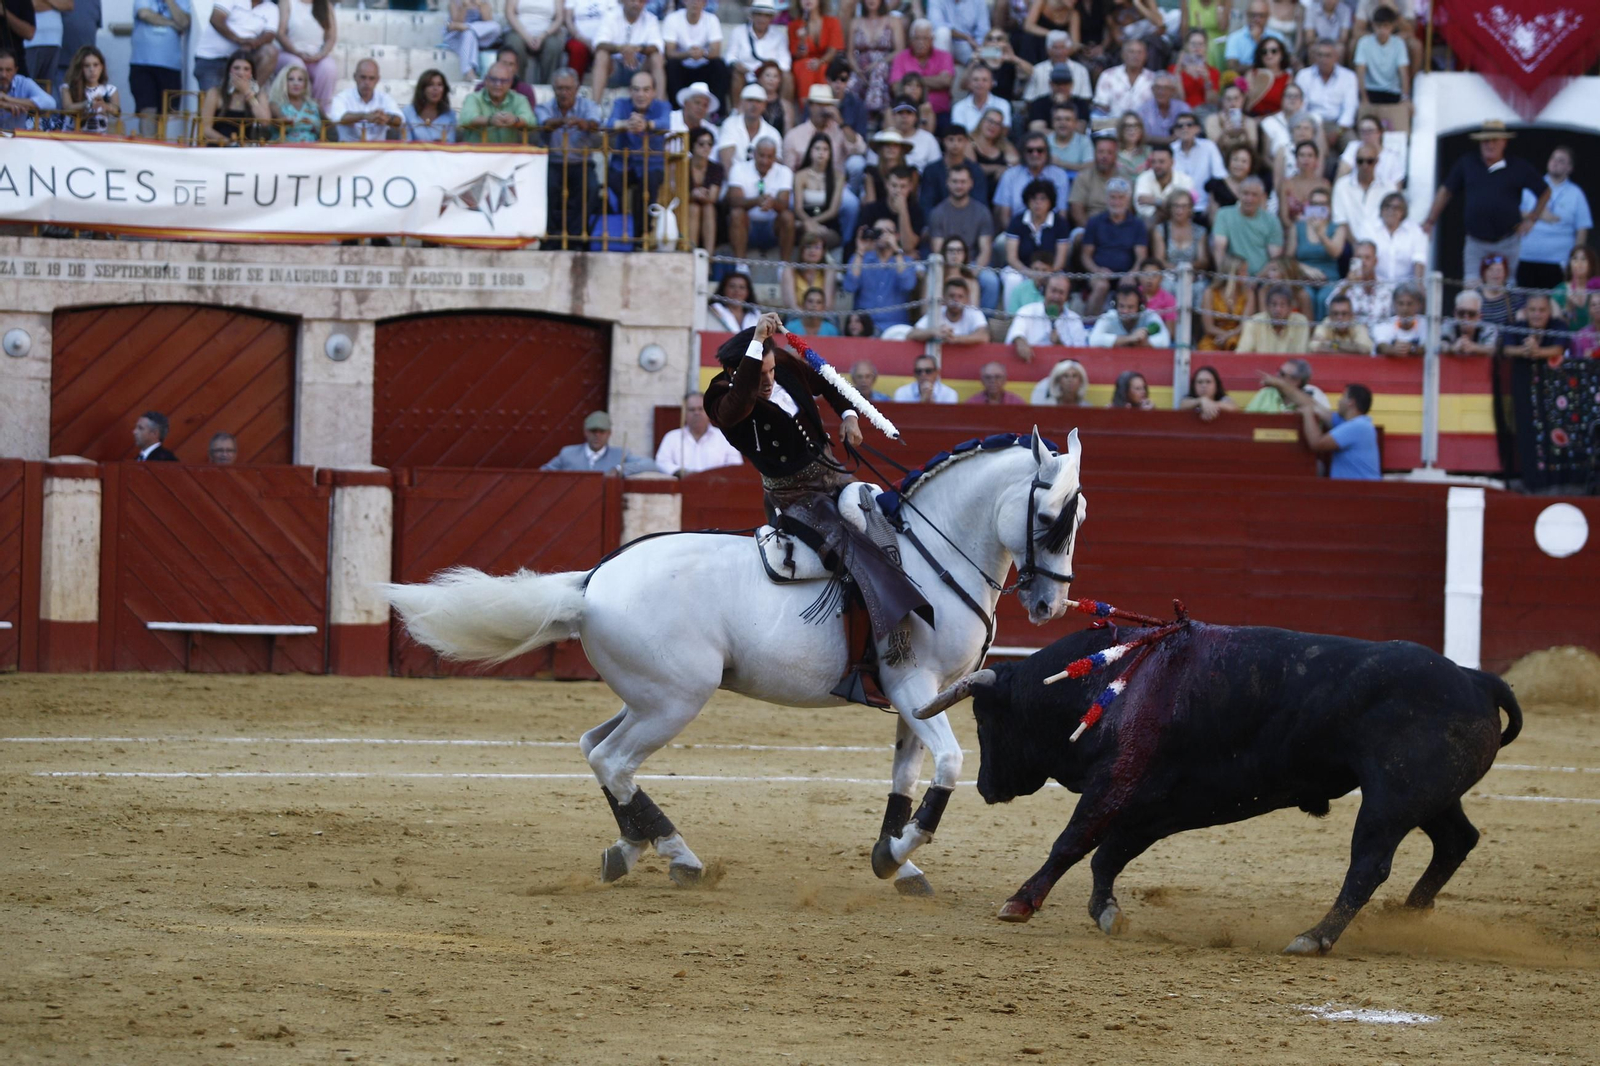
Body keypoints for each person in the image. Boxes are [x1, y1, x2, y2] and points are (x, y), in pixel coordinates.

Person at [707, 314, 932, 703]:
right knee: (851, 554)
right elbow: (738, 406)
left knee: (888, 525)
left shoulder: (780, 364)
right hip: (794, 498)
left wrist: (848, 416)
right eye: (760, 373)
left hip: (834, 475)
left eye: (771, 371)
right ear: (736, 371)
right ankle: (860, 669)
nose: (769, 380)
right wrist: (756, 345)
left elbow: (828, 380)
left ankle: (906, 627)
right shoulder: (721, 397)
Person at [1422, 120, 1551, 286]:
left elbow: (1545, 192)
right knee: (1471, 291)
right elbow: (1446, 191)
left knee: (1507, 290)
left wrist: (1532, 219)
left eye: (1494, 140)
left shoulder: (1518, 166)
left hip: (1508, 241)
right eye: (1485, 140)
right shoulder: (1467, 163)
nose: (1490, 144)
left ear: (1504, 142)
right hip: (1475, 242)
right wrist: (1430, 220)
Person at [537, 66, 602, 245]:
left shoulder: (588, 106)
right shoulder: (545, 106)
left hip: (581, 162)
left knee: (590, 188)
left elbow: (595, 123)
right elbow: (544, 123)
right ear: (553, 89)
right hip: (553, 162)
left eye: (568, 88)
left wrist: (584, 124)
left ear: (577, 88)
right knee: (546, 188)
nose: (564, 93)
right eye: (560, 88)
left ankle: (576, 238)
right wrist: (562, 121)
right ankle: (550, 237)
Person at [605, 69, 670, 238]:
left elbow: (666, 123)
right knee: (612, 182)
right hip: (623, 164)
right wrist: (627, 124)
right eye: (636, 89)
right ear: (630, 91)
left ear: (654, 92)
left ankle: (641, 235)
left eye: (646, 90)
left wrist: (646, 125)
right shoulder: (621, 103)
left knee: (648, 184)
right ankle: (618, 233)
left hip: (652, 165)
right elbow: (609, 124)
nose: (641, 94)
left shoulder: (662, 105)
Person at [1518, 147, 1593, 291]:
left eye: (1561, 160)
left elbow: (1582, 229)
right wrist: (1538, 214)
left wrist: (1575, 262)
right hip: (1527, 257)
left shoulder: (1576, 193)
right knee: (1526, 300)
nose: (1555, 162)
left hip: (1559, 261)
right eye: (1553, 158)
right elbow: (1513, 212)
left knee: (1556, 301)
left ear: (1569, 168)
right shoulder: (1532, 185)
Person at [927, 165, 998, 308]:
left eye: (963, 182)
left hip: (972, 263)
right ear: (947, 183)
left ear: (970, 183)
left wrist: (972, 272)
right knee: (931, 276)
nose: (959, 186)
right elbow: (938, 250)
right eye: (955, 181)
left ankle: (983, 319)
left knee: (991, 281)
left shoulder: (982, 212)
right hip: (947, 263)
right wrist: (953, 272)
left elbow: (985, 250)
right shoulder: (937, 213)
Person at [1082, 178, 1149, 311]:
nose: (1116, 202)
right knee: (1101, 286)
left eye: (1121, 198)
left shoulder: (1138, 225)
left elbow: (1141, 257)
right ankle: (1089, 321)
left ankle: (1126, 321)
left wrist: (1131, 274)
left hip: (1127, 274)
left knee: (1128, 287)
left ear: (1128, 200)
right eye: (1112, 197)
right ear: (1106, 199)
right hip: (1099, 273)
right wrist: (1097, 270)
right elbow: (1085, 256)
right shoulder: (1094, 222)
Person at [1003, 177, 1072, 306]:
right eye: (1033, 199)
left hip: (1051, 270)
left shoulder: (1060, 223)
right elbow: (1011, 258)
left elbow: (1060, 260)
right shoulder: (1017, 221)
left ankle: (1055, 315)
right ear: (1027, 201)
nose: (1037, 203)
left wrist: (1045, 273)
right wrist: (1030, 273)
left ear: (1050, 202)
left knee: (1060, 281)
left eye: (1042, 199)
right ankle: (1011, 315)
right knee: (1012, 278)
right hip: (1022, 269)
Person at [726, 136, 795, 261]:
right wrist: (756, 201)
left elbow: (784, 204)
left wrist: (772, 203)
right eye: (761, 155)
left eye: (769, 157)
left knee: (787, 217)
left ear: (775, 157)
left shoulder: (784, 172)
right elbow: (733, 200)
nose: (765, 161)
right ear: (754, 154)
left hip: (772, 227)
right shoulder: (739, 169)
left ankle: (784, 265)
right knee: (736, 213)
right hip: (747, 227)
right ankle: (741, 264)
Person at [841, 218, 918, 328]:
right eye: (878, 231)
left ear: (896, 236)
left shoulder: (906, 261)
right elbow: (850, 287)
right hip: (865, 327)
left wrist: (896, 250)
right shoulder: (860, 258)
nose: (882, 236)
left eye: (887, 232)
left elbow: (907, 285)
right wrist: (860, 250)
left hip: (895, 326)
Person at [1297, 383, 1381, 479]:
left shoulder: (1357, 426)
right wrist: (1283, 384)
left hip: (1357, 487)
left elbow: (1317, 443)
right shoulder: (1353, 423)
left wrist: (1307, 414)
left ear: (1351, 402)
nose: (1339, 400)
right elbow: (1314, 405)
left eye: (1343, 396)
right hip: (1357, 486)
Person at [129, 0, 192, 128]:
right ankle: (147, 141)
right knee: (147, 110)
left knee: (168, 114)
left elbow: (184, 22)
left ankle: (161, 141)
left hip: (171, 65)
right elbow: (144, 14)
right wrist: (172, 23)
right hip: (143, 63)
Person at [193, 0, 278, 94]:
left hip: (244, 61)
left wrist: (253, 44)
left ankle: (251, 93)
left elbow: (270, 34)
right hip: (212, 59)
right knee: (214, 98)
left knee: (270, 52)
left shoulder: (272, 8)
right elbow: (216, 18)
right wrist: (239, 40)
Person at [996, 130, 1072, 229]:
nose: (1035, 154)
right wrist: (1013, 234)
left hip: (1051, 231)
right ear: (1023, 153)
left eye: (1040, 150)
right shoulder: (1010, 175)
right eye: (1030, 150)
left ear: (1047, 152)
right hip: (1016, 230)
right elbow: (1004, 216)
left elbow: (1062, 212)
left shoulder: (1060, 175)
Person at [543, 411, 659, 475]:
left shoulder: (620, 454)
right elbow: (542, 473)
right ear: (586, 432)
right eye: (593, 431)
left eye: (602, 432)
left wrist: (619, 469)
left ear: (609, 433)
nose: (597, 435)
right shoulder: (569, 453)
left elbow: (650, 464)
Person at [655, 392, 743, 475]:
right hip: (682, 484)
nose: (696, 413)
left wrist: (712, 476)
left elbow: (735, 465)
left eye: (701, 409)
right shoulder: (672, 437)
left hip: (716, 484)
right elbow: (662, 462)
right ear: (684, 413)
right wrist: (682, 473)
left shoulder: (724, 437)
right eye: (692, 409)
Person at [591, 0, 663, 98]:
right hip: (614, 69)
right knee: (601, 55)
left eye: (641, 1)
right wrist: (622, 48)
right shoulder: (610, 16)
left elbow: (657, 46)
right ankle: (595, 104)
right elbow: (599, 44)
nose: (636, 4)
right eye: (633, 0)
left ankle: (660, 103)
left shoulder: (651, 19)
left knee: (657, 57)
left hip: (640, 68)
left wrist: (636, 49)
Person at [1008, 273, 1087, 363]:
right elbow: (1016, 332)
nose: (1056, 297)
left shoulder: (1075, 320)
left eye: (1061, 293)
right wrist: (1020, 341)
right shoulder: (1027, 311)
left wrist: (1060, 345)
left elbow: (1080, 356)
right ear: (1044, 291)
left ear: (1067, 297)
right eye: (1053, 291)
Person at [1212, 176, 1284, 275]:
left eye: (1254, 195)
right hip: (1232, 276)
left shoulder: (1272, 221)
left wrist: (1256, 279)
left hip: (1263, 278)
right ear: (1238, 193)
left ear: (1262, 197)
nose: (1249, 199)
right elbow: (1219, 249)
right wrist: (1223, 276)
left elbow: (1275, 258)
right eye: (1245, 193)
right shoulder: (1223, 215)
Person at [1295, 39, 1357, 152]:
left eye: (1328, 55)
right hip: (1312, 123)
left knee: (1353, 146)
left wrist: (1337, 132)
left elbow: (1350, 109)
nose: (1323, 59)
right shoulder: (1303, 75)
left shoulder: (1349, 76)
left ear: (1336, 57)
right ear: (1314, 57)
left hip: (1339, 126)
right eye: (1320, 55)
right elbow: (1301, 107)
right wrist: (1310, 127)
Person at [1331, 137, 1395, 245]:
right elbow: (1341, 221)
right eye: (1360, 161)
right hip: (1350, 244)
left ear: (1377, 161)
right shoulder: (1342, 186)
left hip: (1382, 245)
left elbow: (1393, 220)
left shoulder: (1389, 187)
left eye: (1370, 161)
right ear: (1355, 162)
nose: (1365, 166)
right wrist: (1356, 246)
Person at [724, 0, 791, 102]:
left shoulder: (779, 36)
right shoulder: (738, 32)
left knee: (788, 77)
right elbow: (730, 56)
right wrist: (736, 64)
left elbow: (785, 60)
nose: (762, 19)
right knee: (737, 74)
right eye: (758, 14)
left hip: (770, 75)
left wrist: (771, 71)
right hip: (746, 74)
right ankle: (737, 109)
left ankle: (784, 107)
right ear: (752, 15)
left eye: (766, 15)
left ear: (771, 18)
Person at [919, 123, 990, 216]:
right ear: (944, 141)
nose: (955, 144)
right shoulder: (931, 170)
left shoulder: (976, 170)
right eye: (951, 139)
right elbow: (927, 204)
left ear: (966, 142)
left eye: (960, 140)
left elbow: (980, 202)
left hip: (969, 220)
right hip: (939, 220)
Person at [854, 161, 922, 258]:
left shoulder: (916, 211)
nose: (898, 191)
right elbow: (863, 244)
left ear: (910, 187)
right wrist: (896, 249)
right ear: (887, 185)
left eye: (903, 186)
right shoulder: (871, 210)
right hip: (875, 259)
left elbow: (908, 246)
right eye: (894, 185)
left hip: (903, 262)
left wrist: (903, 211)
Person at [198, 49, 268, 143]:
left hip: (246, 148)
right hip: (219, 146)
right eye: (236, 68)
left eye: (246, 69)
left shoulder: (259, 94)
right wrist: (228, 143)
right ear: (229, 71)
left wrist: (247, 93)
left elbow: (265, 122)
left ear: (251, 73)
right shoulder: (215, 93)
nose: (241, 73)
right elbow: (205, 128)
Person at [459, 59, 535, 143]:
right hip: (478, 150)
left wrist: (516, 120)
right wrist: (489, 120)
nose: (498, 84)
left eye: (503, 81)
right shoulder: (473, 98)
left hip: (509, 151)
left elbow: (531, 121)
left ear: (510, 83)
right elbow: (465, 119)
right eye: (494, 79)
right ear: (486, 80)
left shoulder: (519, 99)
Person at [661, 0, 723, 102]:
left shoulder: (712, 19)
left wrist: (703, 53)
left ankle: (718, 108)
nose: (695, 2)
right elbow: (669, 52)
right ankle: (675, 107)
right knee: (671, 65)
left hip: (704, 66)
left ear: (704, 3)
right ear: (685, 1)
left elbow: (716, 51)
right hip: (682, 67)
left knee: (719, 65)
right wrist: (688, 54)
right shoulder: (672, 18)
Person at [889, 18, 954, 116]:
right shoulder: (900, 58)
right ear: (910, 40)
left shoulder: (944, 56)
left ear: (932, 40)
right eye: (917, 38)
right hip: (908, 114)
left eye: (925, 38)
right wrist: (934, 81)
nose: (921, 42)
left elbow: (946, 81)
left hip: (939, 112)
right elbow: (896, 86)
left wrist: (911, 82)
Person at [846, 0, 900, 115]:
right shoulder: (855, 23)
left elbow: (899, 50)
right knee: (853, 82)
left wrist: (879, 62)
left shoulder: (893, 21)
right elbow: (850, 54)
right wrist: (857, 70)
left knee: (879, 70)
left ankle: (875, 113)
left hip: (885, 65)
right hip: (861, 67)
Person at [329, 57, 401, 141]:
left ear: (377, 80)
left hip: (378, 148)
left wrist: (385, 117)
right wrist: (364, 116)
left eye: (371, 78)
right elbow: (338, 118)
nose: (367, 82)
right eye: (363, 77)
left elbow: (400, 120)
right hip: (348, 148)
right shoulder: (342, 97)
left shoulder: (385, 98)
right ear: (355, 77)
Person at [1168, 111, 1225, 219]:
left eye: (1189, 125)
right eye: (1180, 126)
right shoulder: (1170, 150)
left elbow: (1219, 177)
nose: (1185, 128)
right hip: (1176, 209)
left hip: (1205, 207)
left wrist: (1211, 204)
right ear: (1175, 131)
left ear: (1198, 129)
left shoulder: (1209, 147)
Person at [792, 131, 843, 247]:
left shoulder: (838, 177)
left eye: (825, 149)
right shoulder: (800, 175)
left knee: (820, 235)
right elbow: (798, 208)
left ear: (830, 153)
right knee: (804, 230)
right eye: (817, 148)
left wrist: (813, 224)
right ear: (810, 151)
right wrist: (808, 223)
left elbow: (833, 211)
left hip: (828, 224)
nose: (821, 153)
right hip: (804, 219)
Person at [717, 82, 782, 172]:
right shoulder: (730, 124)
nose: (754, 105)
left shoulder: (773, 133)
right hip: (733, 178)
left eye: (758, 101)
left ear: (764, 105)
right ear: (742, 103)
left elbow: (775, 166)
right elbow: (726, 161)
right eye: (750, 100)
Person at [1352, 6, 1407, 111]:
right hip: (1370, 91)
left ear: (1392, 26)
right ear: (1373, 25)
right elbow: (1360, 72)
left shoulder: (1399, 43)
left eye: (1386, 26)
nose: (1382, 30)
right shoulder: (1364, 42)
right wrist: (1364, 99)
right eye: (1378, 26)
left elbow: (1404, 73)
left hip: (1392, 91)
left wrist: (1405, 98)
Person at [909, 277, 989, 346]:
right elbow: (911, 334)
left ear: (966, 299)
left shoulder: (974, 312)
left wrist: (956, 339)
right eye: (952, 296)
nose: (956, 300)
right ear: (944, 298)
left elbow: (984, 336)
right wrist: (933, 332)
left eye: (960, 296)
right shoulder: (936, 312)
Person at [504, 0, 568, 86]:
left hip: (547, 33)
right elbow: (509, 13)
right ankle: (516, 86)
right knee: (514, 43)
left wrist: (542, 36)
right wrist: (527, 37)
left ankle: (548, 87)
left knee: (554, 46)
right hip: (520, 31)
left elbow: (559, 18)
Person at [1092, 38, 1153, 124]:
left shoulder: (1153, 79)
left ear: (1146, 56)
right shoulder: (1108, 75)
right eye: (1131, 52)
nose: (1136, 56)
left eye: (1139, 52)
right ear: (1123, 55)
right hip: (1112, 128)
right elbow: (1100, 108)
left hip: (1145, 129)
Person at [1090, 283, 1172, 347]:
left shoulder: (1150, 316)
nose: (1125, 311)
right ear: (1115, 305)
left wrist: (1145, 342)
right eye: (1121, 306)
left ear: (1140, 307)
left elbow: (1165, 341)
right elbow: (1093, 340)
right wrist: (1129, 339)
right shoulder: (1109, 317)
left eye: (1130, 307)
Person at [1023, 30, 1089, 109]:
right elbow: (1029, 99)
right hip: (1043, 110)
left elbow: (1086, 99)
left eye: (1062, 47)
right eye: (1055, 48)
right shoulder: (1037, 70)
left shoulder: (1081, 70)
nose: (1059, 52)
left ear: (1069, 49)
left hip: (1073, 111)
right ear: (1048, 50)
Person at [1198, 255, 1253, 350]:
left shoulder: (1248, 293)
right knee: (1206, 348)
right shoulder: (1210, 292)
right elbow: (1208, 327)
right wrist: (1225, 335)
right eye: (1243, 271)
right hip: (1215, 337)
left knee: (1239, 347)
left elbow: (1245, 324)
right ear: (1232, 273)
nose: (1247, 275)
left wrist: (1229, 335)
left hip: (1239, 337)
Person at [1237, 283, 1311, 354]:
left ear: (1290, 308)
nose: (1278, 309)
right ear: (1267, 306)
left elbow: (1301, 355)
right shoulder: (1253, 322)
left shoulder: (1300, 323)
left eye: (1282, 305)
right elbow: (1242, 354)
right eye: (1274, 304)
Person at [1151, 188, 1210, 275]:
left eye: (1184, 206)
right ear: (1170, 208)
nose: (1179, 210)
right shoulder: (1160, 230)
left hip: (1193, 275)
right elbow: (1159, 259)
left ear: (1190, 208)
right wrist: (1177, 270)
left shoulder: (1200, 231)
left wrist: (1188, 267)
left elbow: (1203, 260)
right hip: (1168, 276)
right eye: (1176, 206)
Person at [1370, 192, 1425, 285]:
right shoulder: (1369, 228)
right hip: (1376, 285)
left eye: (1396, 208)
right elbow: (1364, 258)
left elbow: (1419, 260)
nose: (1391, 211)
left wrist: (1418, 286)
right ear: (1381, 210)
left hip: (1405, 287)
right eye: (1387, 207)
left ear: (1403, 212)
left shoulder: (1415, 230)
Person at [61, 43, 118, 133]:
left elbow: (117, 112)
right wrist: (88, 104)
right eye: (87, 66)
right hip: (71, 136)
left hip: (99, 137)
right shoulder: (67, 87)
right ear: (80, 68)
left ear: (102, 67)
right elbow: (67, 108)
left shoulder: (110, 90)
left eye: (96, 65)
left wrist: (105, 105)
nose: (92, 70)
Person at [1246, 356, 1330, 412]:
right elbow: (1248, 421)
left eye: (1282, 374)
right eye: (1279, 371)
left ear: (1297, 381)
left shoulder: (1315, 394)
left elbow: (1326, 423)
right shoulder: (1266, 393)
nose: (1277, 376)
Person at [440, 0, 499, 82]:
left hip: (478, 35)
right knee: (468, 34)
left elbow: (488, 21)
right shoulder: (454, 2)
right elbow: (457, 22)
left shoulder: (484, 2)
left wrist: (481, 5)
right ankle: (468, 72)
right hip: (457, 37)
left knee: (496, 27)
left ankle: (469, 27)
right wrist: (464, 7)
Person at [1223, 1, 1288, 74]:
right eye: (1253, 15)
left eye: (1261, 16)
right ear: (1247, 15)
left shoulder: (1277, 37)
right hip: (1245, 79)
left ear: (1268, 16)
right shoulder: (1235, 38)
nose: (1257, 19)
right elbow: (1232, 67)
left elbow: (1284, 64)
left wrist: (1258, 40)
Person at [1026, 58, 1090, 132]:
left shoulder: (1080, 104)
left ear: (1071, 84)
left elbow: (1080, 130)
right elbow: (1036, 129)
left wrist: (1064, 104)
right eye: (1057, 83)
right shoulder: (1039, 103)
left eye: (1065, 83)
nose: (1061, 87)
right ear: (1051, 84)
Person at [1133, 143, 1191, 222]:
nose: (1157, 165)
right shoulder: (1143, 178)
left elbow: (1186, 209)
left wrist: (1156, 202)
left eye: (1161, 162)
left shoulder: (1185, 180)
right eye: (1153, 162)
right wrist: (1172, 206)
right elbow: (1143, 210)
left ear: (1172, 162)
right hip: (1152, 222)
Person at [0, 47, 53, 130]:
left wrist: (8, 99)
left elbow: (50, 103)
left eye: (8, 70)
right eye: (0, 70)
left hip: (17, 136)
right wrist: (4, 105)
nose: (3, 75)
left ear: (15, 70)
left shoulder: (23, 83)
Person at [1169, 27, 1219, 111]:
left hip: (1205, 113)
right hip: (1182, 113)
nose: (1197, 48)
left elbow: (1212, 103)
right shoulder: (1173, 69)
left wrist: (1207, 80)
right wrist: (1177, 74)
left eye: (1200, 44)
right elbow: (1178, 100)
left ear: (1206, 47)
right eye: (1193, 44)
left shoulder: (1213, 72)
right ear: (1186, 46)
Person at [950, 60, 1008, 132]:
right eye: (976, 80)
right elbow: (959, 134)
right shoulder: (959, 107)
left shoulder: (1002, 104)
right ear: (969, 83)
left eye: (984, 80)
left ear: (992, 83)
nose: (980, 83)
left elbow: (1004, 131)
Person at [1372, 281, 1426, 357]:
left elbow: (1429, 347)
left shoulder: (1426, 324)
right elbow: (1381, 346)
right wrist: (1393, 350)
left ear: (1418, 305)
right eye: (1401, 303)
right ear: (1394, 305)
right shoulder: (1386, 324)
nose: (1405, 308)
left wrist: (1412, 349)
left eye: (1409, 304)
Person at [400, 68, 454, 142]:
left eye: (439, 85)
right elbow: (405, 143)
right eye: (430, 85)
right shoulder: (407, 112)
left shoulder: (450, 115)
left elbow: (450, 144)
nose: (435, 89)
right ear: (422, 89)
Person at [1242, 34, 1289, 118]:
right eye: (1264, 52)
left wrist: (1264, 119)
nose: (1269, 55)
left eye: (1274, 51)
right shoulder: (1252, 74)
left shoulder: (1288, 78)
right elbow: (1244, 103)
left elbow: (1287, 107)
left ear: (1282, 54)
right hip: (1252, 120)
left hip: (1276, 120)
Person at [562, 0, 612, 79]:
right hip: (579, 38)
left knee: (605, 50)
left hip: (604, 38)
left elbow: (613, 19)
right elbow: (568, 20)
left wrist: (600, 41)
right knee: (577, 49)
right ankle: (573, 83)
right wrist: (581, 38)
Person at [1309, 293, 1374, 354]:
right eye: (1335, 313)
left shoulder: (1357, 325)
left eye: (1344, 313)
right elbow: (1314, 347)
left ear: (1351, 315)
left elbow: (1365, 349)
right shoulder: (1325, 324)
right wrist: (1351, 349)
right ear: (1330, 316)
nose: (1339, 317)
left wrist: (1333, 345)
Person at [1439, 290, 1497, 357]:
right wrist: (1452, 348)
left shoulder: (1488, 329)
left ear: (1479, 316)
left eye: (1471, 314)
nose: (1466, 318)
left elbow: (1492, 349)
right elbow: (1440, 345)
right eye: (1461, 313)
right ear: (1455, 313)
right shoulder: (1448, 325)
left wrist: (1473, 347)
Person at [786, 231, 836, 308]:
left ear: (823, 252)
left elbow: (828, 305)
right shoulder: (790, 270)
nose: (812, 251)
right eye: (808, 247)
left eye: (817, 247)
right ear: (802, 250)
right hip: (795, 314)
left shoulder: (828, 271)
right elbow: (791, 305)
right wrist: (804, 315)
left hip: (822, 314)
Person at [1553, 247, 1597, 330]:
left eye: (1583, 259)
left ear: (1591, 264)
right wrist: (1568, 308)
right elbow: (1557, 328)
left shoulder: (1597, 289)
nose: (1578, 263)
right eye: (1575, 259)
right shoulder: (1560, 291)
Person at [1476, 253, 1523, 328]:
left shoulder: (1514, 296)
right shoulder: (1475, 296)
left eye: (1499, 270)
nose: (1495, 274)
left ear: (1505, 274)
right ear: (1484, 273)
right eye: (1491, 270)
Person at [892, 353, 960, 403]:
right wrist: (922, 401)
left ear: (937, 373)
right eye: (919, 371)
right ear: (914, 374)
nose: (923, 374)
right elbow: (902, 416)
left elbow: (946, 417)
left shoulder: (949, 393)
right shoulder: (902, 392)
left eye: (928, 371)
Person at [1044, 104, 1091, 174]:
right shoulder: (1044, 141)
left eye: (1067, 119)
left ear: (1075, 123)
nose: (1063, 123)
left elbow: (1089, 167)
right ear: (1052, 122)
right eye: (1058, 119)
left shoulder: (1084, 141)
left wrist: (1060, 163)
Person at [1114, 111, 1149, 181]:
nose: (1132, 130)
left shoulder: (1148, 152)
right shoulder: (1113, 152)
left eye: (1136, 126)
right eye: (1127, 126)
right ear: (1121, 130)